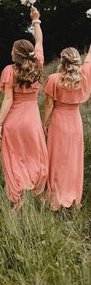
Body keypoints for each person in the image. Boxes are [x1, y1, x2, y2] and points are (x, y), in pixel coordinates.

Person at [0, 7, 48, 210]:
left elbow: (8, 100)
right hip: (32, 120)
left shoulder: (10, 70)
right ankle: (36, 188)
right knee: (34, 156)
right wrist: (36, 20)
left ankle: (18, 199)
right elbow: (40, 42)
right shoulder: (39, 65)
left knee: (15, 159)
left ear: (15, 54)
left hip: (14, 122)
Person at [43, 46, 91, 210]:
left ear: (62, 61)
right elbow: (89, 59)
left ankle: (56, 196)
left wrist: (43, 124)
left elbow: (49, 105)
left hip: (59, 122)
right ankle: (72, 197)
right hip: (75, 122)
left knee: (57, 160)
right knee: (73, 161)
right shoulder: (83, 77)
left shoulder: (54, 79)